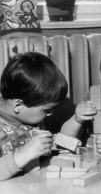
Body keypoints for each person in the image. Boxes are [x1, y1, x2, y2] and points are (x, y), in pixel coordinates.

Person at [0, 52, 68, 181]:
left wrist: (52, 149)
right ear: (18, 105)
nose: (50, 114)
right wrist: (25, 153)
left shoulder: (28, 116)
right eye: (46, 110)